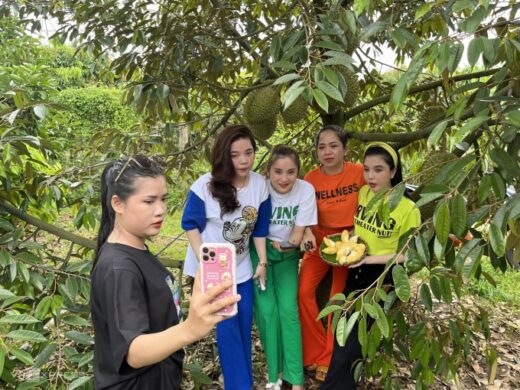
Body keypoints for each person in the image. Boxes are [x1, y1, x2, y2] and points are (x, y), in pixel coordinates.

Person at [90, 155, 240, 390]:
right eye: (149, 201)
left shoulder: (136, 249)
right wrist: (190, 329)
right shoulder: (119, 267)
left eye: (163, 199)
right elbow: (134, 351)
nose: (160, 210)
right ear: (117, 203)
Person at [321, 142, 421, 389]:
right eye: (366, 169)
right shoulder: (364, 194)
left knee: (353, 342)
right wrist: (349, 245)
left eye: (378, 170)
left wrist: (369, 259)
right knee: (342, 335)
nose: (371, 176)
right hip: (356, 272)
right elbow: (360, 227)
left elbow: (408, 256)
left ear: (393, 171)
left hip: (382, 279)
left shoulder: (408, 209)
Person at [181, 125, 271, 390]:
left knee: (244, 326)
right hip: (215, 269)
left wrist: (262, 262)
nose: (243, 160)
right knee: (228, 330)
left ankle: (241, 382)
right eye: (235, 155)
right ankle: (240, 386)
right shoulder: (205, 186)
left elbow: (261, 228)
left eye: (249, 153)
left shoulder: (260, 185)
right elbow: (189, 224)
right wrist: (204, 260)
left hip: (242, 267)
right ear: (224, 155)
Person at [298, 125, 365, 381]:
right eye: (321, 146)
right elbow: (302, 212)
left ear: (345, 149)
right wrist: (304, 234)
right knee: (303, 292)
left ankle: (328, 358)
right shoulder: (311, 180)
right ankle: (313, 353)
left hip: (348, 245)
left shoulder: (358, 173)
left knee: (337, 300)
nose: (327, 151)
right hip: (319, 243)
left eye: (333, 145)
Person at [250, 145, 317, 390]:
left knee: (289, 311)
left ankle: (295, 378)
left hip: (288, 254)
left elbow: (299, 233)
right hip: (259, 252)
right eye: (278, 172)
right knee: (268, 313)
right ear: (268, 172)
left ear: (298, 172)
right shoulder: (259, 186)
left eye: (291, 172)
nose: (284, 178)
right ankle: (274, 374)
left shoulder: (305, 190)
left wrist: (291, 245)